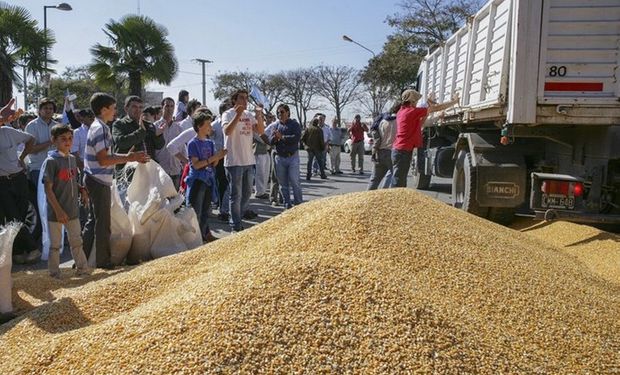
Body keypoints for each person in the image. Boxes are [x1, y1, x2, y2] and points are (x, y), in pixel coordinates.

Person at [83, 93, 149, 269]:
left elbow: (107, 156)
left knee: (94, 220)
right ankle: (102, 262)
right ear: (103, 109)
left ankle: (82, 259)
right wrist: (129, 158)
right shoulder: (101, 129)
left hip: (95, 178)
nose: (115, 112)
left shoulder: (99, 126)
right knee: (102, 222)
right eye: (113, 108)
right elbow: (104, 160)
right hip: (98, 179)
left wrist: (129, 156)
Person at [42, 124, 91, 278]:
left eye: (70, 138)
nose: (67, 142)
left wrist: (81, 188)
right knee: (55, 245)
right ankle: (54, 273)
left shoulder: (72, 159)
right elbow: (48, 189)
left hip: (72, 210)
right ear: (54, 140)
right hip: (56, 212)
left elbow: (69, 180)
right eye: (63, 139)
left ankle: (83, 270)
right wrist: (58, 211)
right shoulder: (51, 161)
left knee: (77, 242)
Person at [392, 89, 459, 187]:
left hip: (401, 150)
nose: (417, 103)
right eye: (416, 101)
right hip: (402, 151)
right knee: (399, 181)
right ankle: (396, 201)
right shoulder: (411, 112)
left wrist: (427, 108)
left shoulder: (402, 112)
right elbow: (436, 108)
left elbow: (419, 125)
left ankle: (398, 199)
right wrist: (454, 102)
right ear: (412, 101)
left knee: (400, 179)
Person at [0, 98, 39, 264]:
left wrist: (22, 158)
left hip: (19, 179)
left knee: (20, 217)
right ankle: (32, 249)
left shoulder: (8, 132)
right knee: (13, 218)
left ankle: (17, 252)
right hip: (2, 183)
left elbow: (31, 140)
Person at [222, 89, 265, 232]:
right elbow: (227, 131)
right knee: (236, 195)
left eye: (246, 98)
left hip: (248, 160)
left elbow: (260, 131)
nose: (245, 101)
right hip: (234, 162)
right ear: (234, 100)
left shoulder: (248, 115)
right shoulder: (227, 114)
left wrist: (259, 115)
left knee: (247, 193)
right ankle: (235, 224)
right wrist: (238, 115)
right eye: (241, 98)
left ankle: (237, 217)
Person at [186, 112, 227, 243]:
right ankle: (194, 238)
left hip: (209, 179)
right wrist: (214, 158)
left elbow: (214, 163)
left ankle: (204, 234)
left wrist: (220, 157)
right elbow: (196, 165)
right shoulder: (193, 143)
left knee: (205, 210)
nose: (211, 127)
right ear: (199, 126)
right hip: (198, 181)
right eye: (208, 124)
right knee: (196, 210)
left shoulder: (210, 143)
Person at [112, 96, 164, 178]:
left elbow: (159, 146)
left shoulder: (148, 124)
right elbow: (122, 142)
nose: (138, 110)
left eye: (140, 107)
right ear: (126, 108)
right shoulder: (119, 125)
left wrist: (158, 136)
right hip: (128, 173)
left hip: (147, 172)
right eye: (134, 107)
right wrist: (141, 132)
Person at [269, 104, 302, 208]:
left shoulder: (294, 124)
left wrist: (282, 137)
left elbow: (296, 138)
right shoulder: (276, 126)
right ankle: (287, 203)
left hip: (292, 157)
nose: (280, 114)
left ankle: (298, 203)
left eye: (282, 112)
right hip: (279, 157)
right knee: (283, 184)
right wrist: (275, 138)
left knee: (294, 180)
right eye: (278, 113)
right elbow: (270, 141)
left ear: (288, 112)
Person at [25, 98, 58, 188]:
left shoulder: (57, 126)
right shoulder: (32, 126)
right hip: (38, 168)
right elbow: (29, 150)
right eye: (45, 108)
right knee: (43, 198)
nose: (48, 110)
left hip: (56, 167)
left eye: (51, 108)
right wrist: (49, 142)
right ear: (39, 110)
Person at [368, 102, 400, 190]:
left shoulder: (382, 120)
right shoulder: (399, 121)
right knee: (396, 180)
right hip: (392, 152)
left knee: (374, 180)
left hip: (380, 151)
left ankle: (367, 199)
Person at [211, 101, 233, 221]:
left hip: (231, 157)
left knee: (230, 184)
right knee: (222, 183)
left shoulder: (234, 123)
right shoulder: (214, 125)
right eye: (228, 108)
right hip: (219, 158)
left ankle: (226, 208)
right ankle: (223, 210)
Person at [154, 97, 183, 189]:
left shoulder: (178, 128)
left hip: (175, 170)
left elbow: (182, 148)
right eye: (167, 106)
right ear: (162, 107)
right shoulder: (155, 126)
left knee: (175, 201)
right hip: (161, 169)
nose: (169, 108)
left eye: (172, 106)